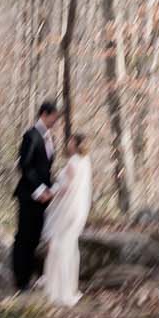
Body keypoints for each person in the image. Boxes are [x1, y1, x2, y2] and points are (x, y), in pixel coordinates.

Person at [40, 132, 93, 307]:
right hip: (78, 210)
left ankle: (61, 292)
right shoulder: (86, 161)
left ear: (76, 144)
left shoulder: (72, 162)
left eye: (70, 141)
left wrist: (50, 193)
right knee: (70, 246)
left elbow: (66, 188)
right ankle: (69, 289)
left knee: (59, 246)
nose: (68, 143)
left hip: (67, 210)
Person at [10, 101, 59, 291]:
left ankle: (28, 276)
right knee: (24, 236)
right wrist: (38, 190)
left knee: (35, 236)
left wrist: (51, 189)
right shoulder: (31, 135)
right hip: (29, 195)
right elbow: (24, 165)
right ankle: (20, 280)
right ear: (44, 114)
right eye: (54, 117)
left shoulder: (49, 138)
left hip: (44, 197)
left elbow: (45, 169)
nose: (56, 121)